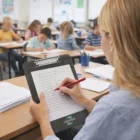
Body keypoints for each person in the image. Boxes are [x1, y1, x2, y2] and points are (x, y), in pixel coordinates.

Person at [30, 0, 140, 139]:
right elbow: (117, 119)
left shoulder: (114, 105)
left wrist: (43, 119)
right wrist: (83, 100)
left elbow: (113, 112)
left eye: (101, 35)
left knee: (63, 130)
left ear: (112, 39)